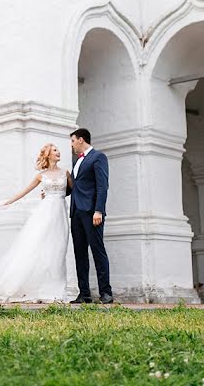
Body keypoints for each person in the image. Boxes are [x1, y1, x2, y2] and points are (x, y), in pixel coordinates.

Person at [0, 143, 72, 303]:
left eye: (58, 150)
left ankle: (55, 290)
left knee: (58, 249)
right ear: (48, 155)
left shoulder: (66, 172)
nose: (58, 152)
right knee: (36, 247)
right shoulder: (41, 176)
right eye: (55, 150)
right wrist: (7, 202)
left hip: (60, 213)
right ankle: (22, 286)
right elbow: (24, 191)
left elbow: (73, 190)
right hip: (45, 213)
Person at [68, 128, 113, 304]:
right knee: (79, 253)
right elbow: (76, 187)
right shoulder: (76, 161)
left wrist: (99, 210)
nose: (71, 145)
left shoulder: (98, 157)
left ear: (80, 139)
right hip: (76, 213)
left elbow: (102, 186)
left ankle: (106, 293)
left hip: (92, 212)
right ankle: (84, 293)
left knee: (97, 251)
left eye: (72, 141)